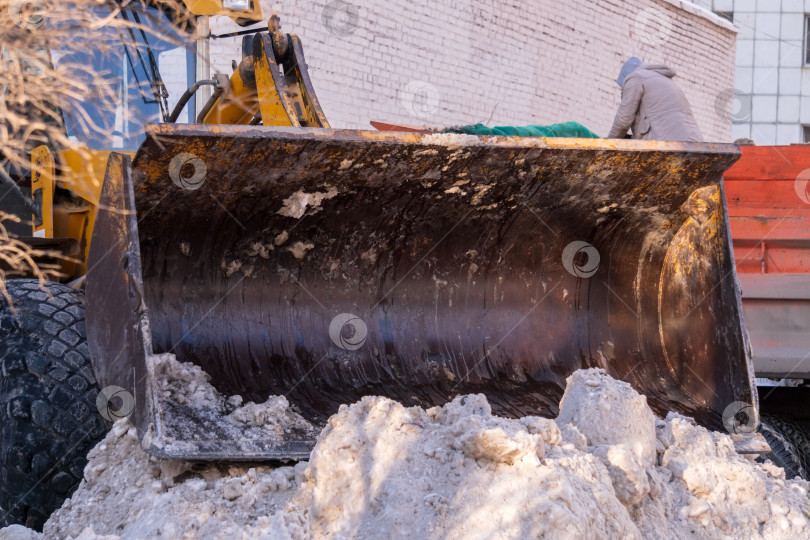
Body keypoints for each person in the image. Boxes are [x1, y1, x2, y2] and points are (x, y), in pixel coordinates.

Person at [607, 57, 703, 142]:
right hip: (696, 144)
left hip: (667, 143)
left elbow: (623, 122)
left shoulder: (635, 78)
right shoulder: (665, 80)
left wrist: (606, 146)